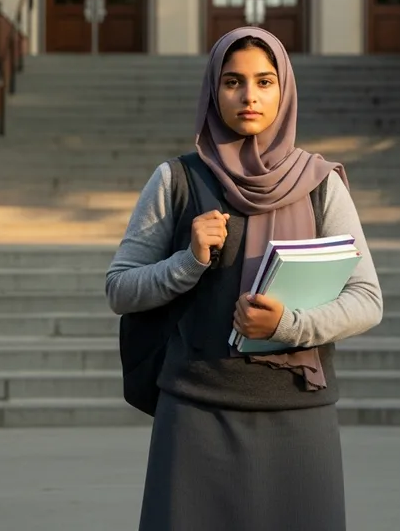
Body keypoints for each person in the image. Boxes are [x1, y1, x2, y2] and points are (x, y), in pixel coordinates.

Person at [105, 27, 383, 531]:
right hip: (196, 413)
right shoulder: (177, 179)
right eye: (233, 81)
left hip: (299, 417)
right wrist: (188, 261)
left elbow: (367, 299)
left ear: (284, 90)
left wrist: (289, 324)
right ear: (214, 91)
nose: (249, 95)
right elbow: (120, 288)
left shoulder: (321, 187)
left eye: (264, 81)